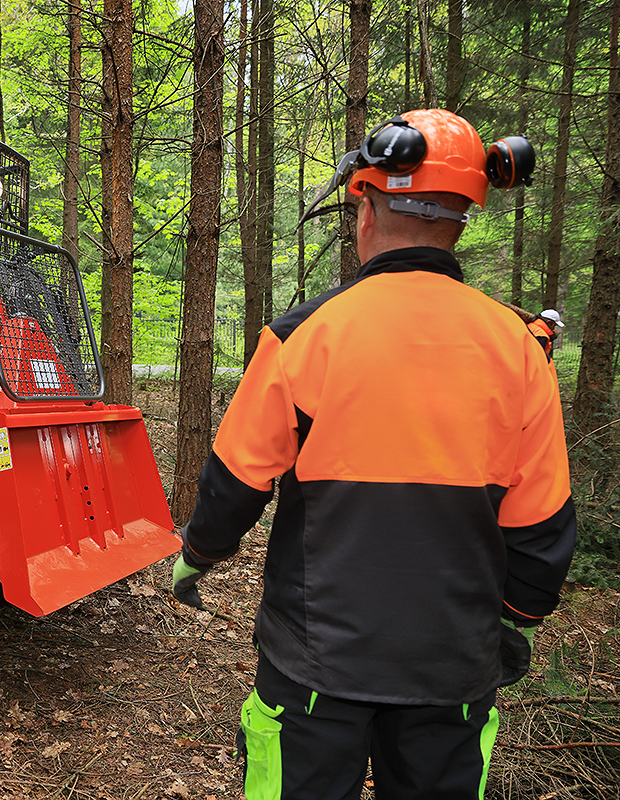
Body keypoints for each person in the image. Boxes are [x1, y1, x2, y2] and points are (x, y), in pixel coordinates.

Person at [169, 109, 576, 800]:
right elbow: (543, 525)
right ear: (461, 220)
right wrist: (517, 619)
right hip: (452, 668)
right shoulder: (518, 350)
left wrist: (198, 556)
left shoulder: (305, 336)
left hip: (314, 666)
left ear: (366, 207)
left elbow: (236, 479)